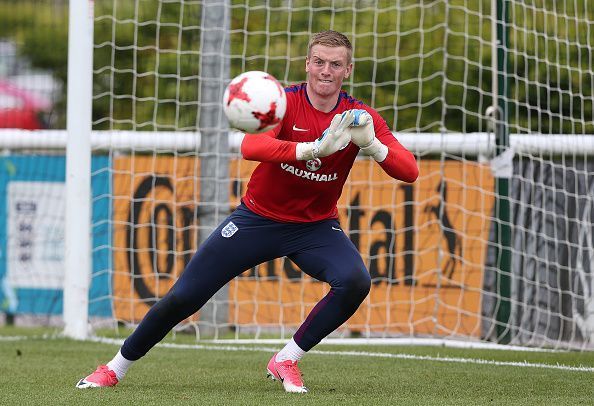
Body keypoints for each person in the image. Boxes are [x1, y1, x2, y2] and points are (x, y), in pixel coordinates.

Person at [76, 30, 418, 394]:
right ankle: (114, 368)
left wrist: (373, 145)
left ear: (347, 69)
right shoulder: (282, 102)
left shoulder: (359, 117)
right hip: (257, 220)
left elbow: (409, 171)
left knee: (355, 281)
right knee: (184, 297)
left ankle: (286, 359)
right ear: (307, 64)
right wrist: (311, 148)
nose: (325, 71)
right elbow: (251, 146)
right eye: (318, 62)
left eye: (335, 64)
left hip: (315, 228)